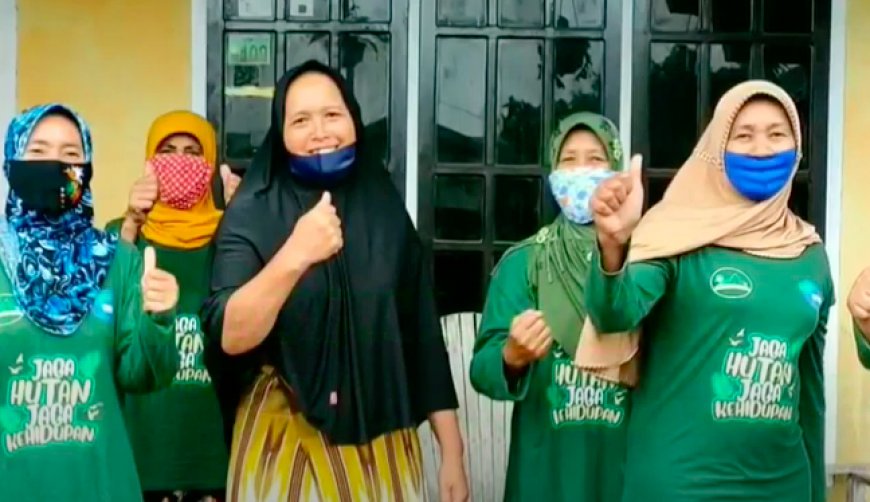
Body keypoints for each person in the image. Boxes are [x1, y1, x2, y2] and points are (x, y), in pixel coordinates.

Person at [200, 60, 468, 502]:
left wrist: (453, 451)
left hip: (379, 446)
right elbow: (230, 333)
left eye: (332, 115)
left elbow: (420, 333)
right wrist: (296, 254)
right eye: (301, 120)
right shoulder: (251, 213)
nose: (320, 131)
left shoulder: (385, 212)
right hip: (281, 446)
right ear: (281, 133)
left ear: (354, 121)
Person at [581, 81, 832, 501]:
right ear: (717, 145)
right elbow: (615, 313)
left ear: (797, 145)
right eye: (744, 134)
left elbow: (810, 396)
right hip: (678, 484)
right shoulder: (676, 233)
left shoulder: (809, 254)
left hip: (782, 485)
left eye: (776, 134)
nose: (761, 148)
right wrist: (612, 245)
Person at [0, 103, 179, 501]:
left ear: (87, 169)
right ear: (12, 163)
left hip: (101, 485)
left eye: (70, 155)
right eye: (38, 152)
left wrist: (158, 319)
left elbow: (143, 375)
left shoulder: (118, 259)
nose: (53, 164)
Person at [469, 112, 630, 501]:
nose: (580, 171)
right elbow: (482, 369)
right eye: (568, 160)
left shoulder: (649, 262)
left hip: (627, 466)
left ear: (617, 168)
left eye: (595, 160)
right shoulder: (524, 264)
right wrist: (512, 356)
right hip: (547, 472)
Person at [109, 111, 241, 502]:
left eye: (192, 152)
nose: (180, 160)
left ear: (211, 164)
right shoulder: (123, 234)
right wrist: (133, 222)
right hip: (144, 449)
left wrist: (247, 220)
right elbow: (106, 305)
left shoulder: (231, 235)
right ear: (149, 161)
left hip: (214, 450)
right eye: (167, 151)